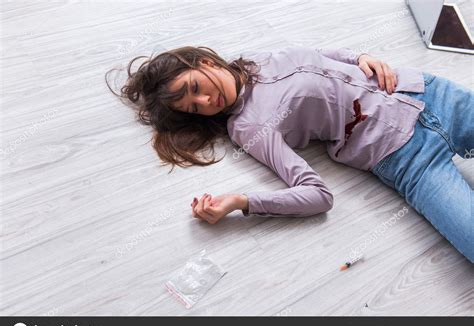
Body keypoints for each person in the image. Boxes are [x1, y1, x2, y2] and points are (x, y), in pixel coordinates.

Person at [106, 45, 473, 263]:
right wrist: (241, 202)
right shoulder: (247, 129)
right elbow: (318, 196)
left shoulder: (259, 58)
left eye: (196, 88)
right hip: (404, 157)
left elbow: (320, 53)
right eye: (194, 108)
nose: (205, 101)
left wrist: (361, 55)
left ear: (203, 62)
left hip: (428, 94)